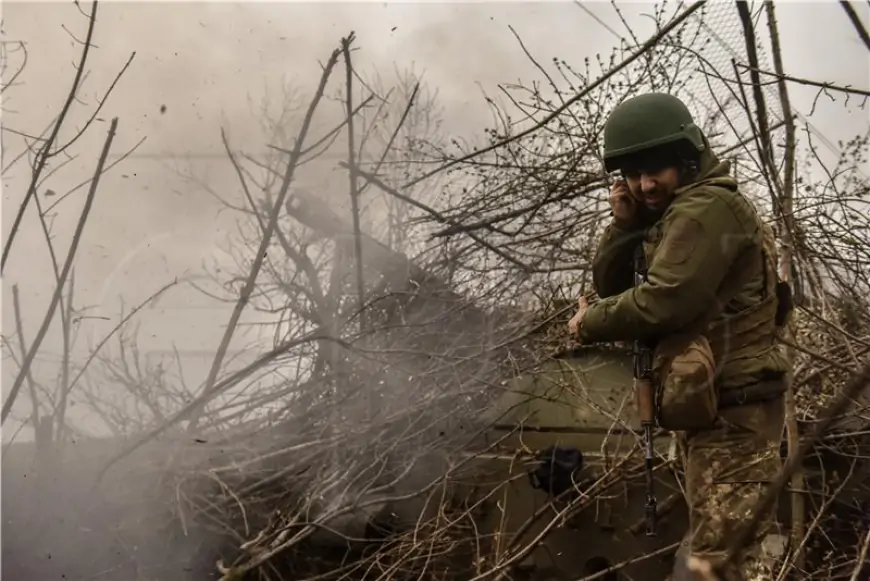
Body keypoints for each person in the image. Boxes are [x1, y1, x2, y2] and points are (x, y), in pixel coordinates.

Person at [567, 93, 792, 581]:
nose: (644, 184)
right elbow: (614, 287)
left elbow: (664, 302)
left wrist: (590, 322)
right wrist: (625, 225)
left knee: (723, 564)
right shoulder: (677, 212)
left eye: (655, 170)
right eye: (633, 174)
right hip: (715, 411)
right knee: (719, 557)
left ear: (687, 158)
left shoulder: (707, 208)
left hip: (736, 414)